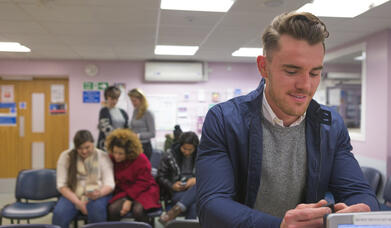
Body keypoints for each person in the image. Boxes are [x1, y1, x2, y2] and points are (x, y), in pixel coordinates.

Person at [196, 11, 379, 228]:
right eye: (292, 71)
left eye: (314, 73)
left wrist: (362, 211)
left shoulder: (331, 125)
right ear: (264, 67)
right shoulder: (224, 120)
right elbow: (212, 205)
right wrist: (279, 226)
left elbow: (360, 193)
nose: (305, 85)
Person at [52, 130, 115, 228]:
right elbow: (61, 185)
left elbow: (110, 183)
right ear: (75, 147)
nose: (84, 151)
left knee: (96, 211)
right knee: (59, 214)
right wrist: (78, 203)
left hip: (97, 194)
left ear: (93, 144)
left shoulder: (102, 156)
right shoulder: (66, 157)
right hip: (73, 194)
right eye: (80, 148)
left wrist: (99, 193)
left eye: (87, 147)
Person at [106, 128, 161, 222]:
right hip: (124, 191)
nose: (116, 156)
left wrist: (129, 200)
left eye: (120, 154)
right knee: (113, 209)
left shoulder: (141, 159)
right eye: (115, 152)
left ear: (129, 152)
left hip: (145, 190)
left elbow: (143, 183)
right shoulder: (111, 158)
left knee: (138, 211)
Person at [157, 131, 199, 225]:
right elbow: (160, 176)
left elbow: (209, 176)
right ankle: (177, 209)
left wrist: (196, 180)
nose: (187, 152)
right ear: (180, 145)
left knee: (193, 202)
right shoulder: (169, 155)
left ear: (195, 148)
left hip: (195, 189)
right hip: (176, 192)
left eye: (190, 149)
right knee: (193, 203)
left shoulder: (201, 156)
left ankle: (174, 211)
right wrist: (172, 185)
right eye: (184, 149)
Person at [97, 86, 129, 150]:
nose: (114, 101)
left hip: (121, 144)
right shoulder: (104, 111)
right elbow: (106, 129)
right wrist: (120, 138)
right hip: (108, 145)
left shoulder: (122, 112)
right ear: (107, 98)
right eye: (112, 98)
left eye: (116, 99)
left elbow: (127, 128)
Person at [128, 88, 155, 160]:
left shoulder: (148, 113)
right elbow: (134, 127)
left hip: (145, 146)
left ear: (141, 100)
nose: (133, 103)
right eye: (131, 101)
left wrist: (138, 135)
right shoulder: (135, 111)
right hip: (135, 145)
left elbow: (152, 133)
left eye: (134, 101)